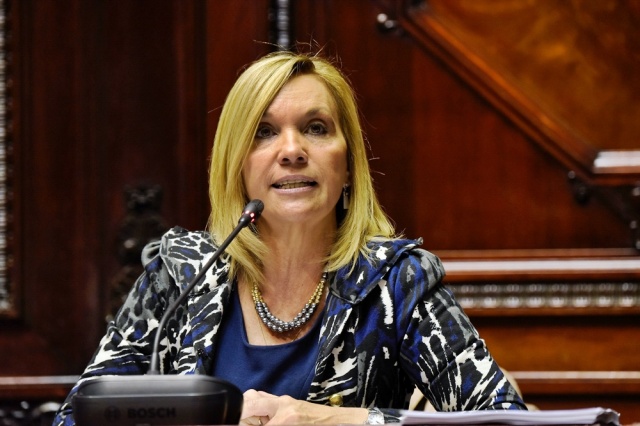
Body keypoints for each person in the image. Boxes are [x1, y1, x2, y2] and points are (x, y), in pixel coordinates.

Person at [53, 50, 526, 426]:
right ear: (236, 167)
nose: (292, 150)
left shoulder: (395, 283)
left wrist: (341, 421)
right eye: (263, 132)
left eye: (316, 128)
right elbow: (76, 417)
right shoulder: (180, 275)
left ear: (348, 166)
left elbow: (503, 419)